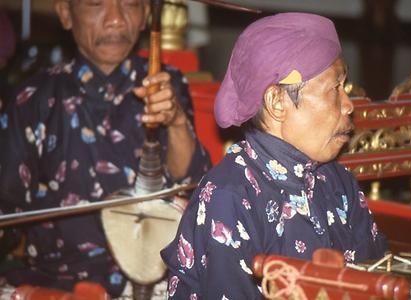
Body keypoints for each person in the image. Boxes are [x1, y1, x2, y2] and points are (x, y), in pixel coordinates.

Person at [161, 12, 387, 299]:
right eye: (335, 89)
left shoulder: (337, 180)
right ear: (277, 102)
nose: (348, 105)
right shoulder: (228, 199)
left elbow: (374, 275)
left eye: (346, 88)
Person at [0, 0, 210, 297]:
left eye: (131, 4)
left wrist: (176, 121)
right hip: (61, 285)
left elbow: (193, 184)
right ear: (65, 13)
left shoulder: (167, 83)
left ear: (146, 16)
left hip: (157, 280)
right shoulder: (34, 97)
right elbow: (7, 209)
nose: (116, 19)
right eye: (96, 3)